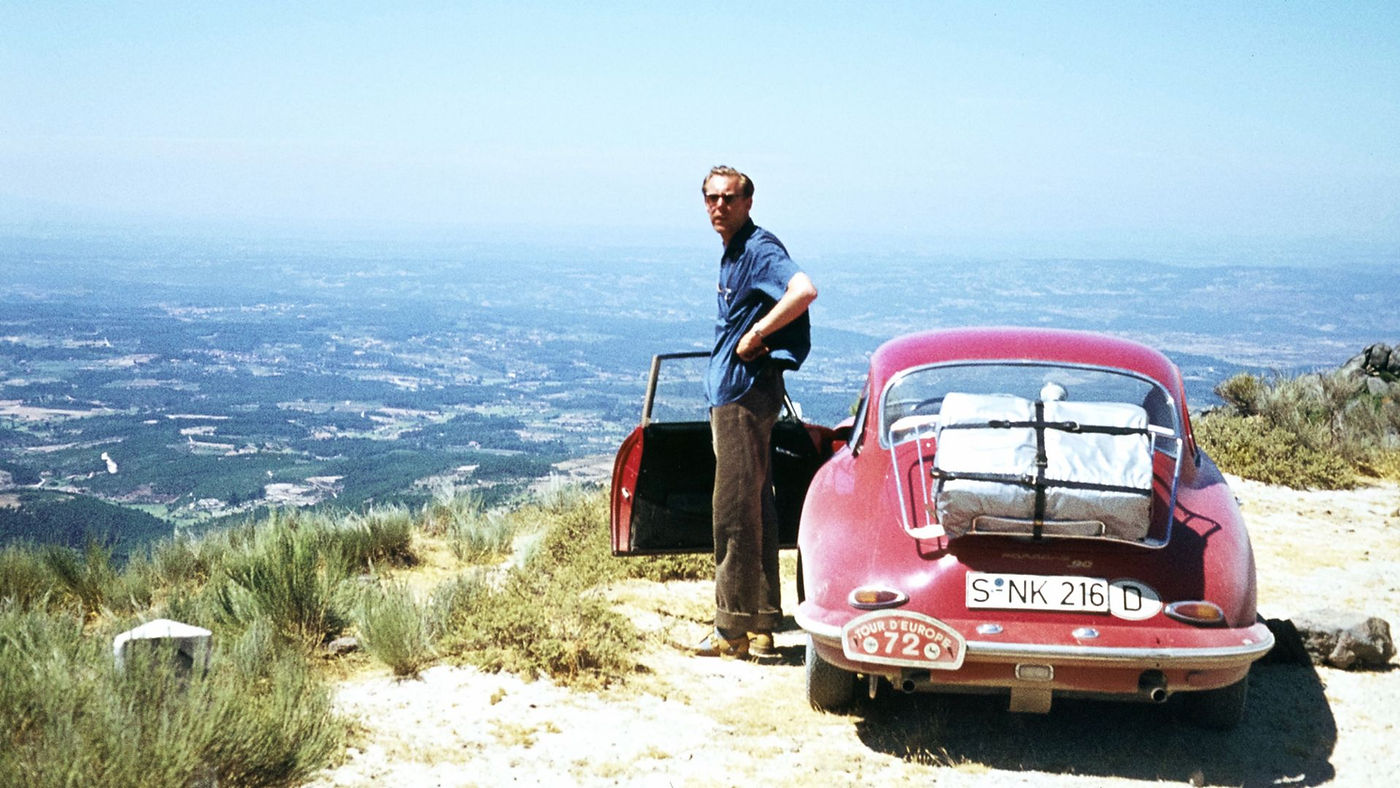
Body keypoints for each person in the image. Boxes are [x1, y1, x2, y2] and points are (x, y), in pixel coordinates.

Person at [694, 165, 818, 659]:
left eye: (728, 198)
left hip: (743, 395)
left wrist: (757, 335)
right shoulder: (735, 251)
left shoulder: (760, 249)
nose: (719, 206)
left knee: (732, 513)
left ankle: (730, 630)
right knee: (756, 506)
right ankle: (763, 625)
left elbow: (804, 289)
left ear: (748, 202)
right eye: (711, 198)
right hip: (741, 392)